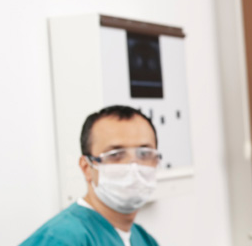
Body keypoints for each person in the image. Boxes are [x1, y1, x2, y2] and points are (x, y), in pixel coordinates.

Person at [21, 105, 162, 245]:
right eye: (115, 155)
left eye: (145, 154)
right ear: (86, 167)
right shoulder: (59, 239)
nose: (134, 167)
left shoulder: (144, 240)